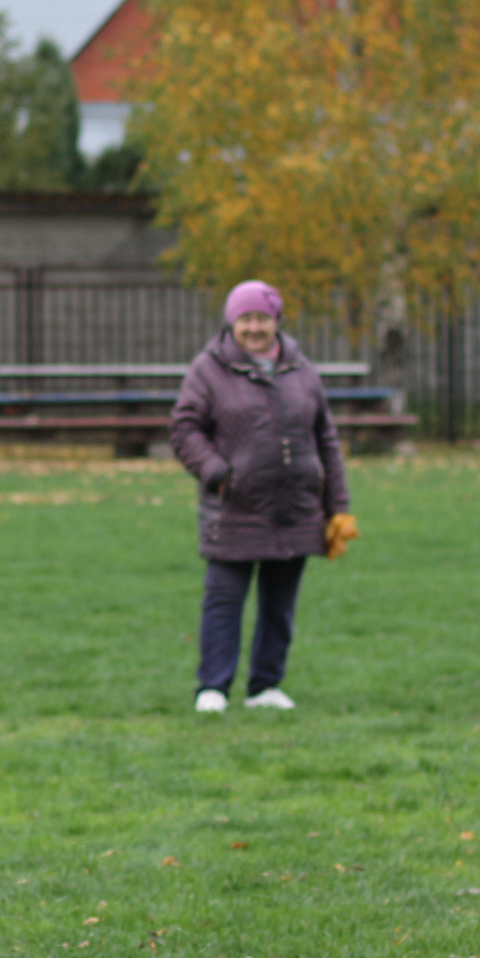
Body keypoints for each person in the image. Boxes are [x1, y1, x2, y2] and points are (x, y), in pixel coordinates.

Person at [168, 280, 356, 714]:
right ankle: (212, 687)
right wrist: (216, 472)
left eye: (262, 319)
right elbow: (184, 428)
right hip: (234, 509)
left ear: (277, 321)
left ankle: (265, 686)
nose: (254, 328)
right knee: (223, 600)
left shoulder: (301, 369)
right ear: (232, 322)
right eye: (245, 319)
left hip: (296, 509)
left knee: (279, 606)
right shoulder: (209, 369)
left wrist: (338, 508)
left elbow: (326, 438)